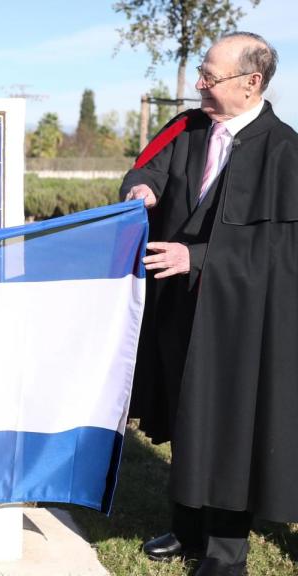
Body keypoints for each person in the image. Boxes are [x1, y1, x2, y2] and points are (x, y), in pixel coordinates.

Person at [122, 31, 298, 576]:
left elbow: (279, 252)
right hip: (177, 309)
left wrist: (199, 259)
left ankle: (225, 550)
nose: (199, 85)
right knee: (184, 414)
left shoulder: (285, 152)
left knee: (229, 425)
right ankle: (186, 527)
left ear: (251, 83)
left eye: (210, 77)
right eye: (200, 72)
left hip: (239, 321)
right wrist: (142, 188)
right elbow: (150, 166)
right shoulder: (189, 128)